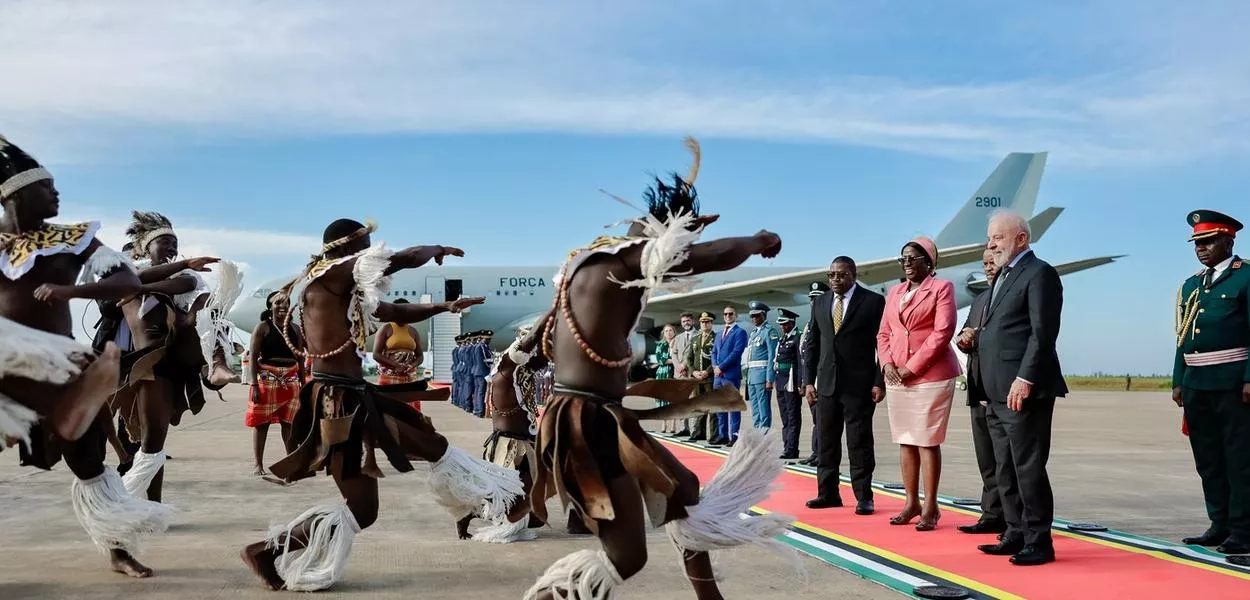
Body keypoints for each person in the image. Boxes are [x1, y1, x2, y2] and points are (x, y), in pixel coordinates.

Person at [526, 138, 796, 600]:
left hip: (594, 413)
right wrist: (757, 240)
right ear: (670, 232)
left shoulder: (584, 263)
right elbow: (709, 256)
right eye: (683, 237)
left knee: (684, 492)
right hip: (585, 422)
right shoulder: (629, 259)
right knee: (628, 557)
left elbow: (549, 332)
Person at [240, 219, 521, 592]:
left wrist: (447, 305)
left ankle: (494, 502)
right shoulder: (328, 277)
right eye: (363, 247)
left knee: (429, 442)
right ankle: (266, 550)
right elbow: (399, 259)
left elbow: (396, 312)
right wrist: (435, 249)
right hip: (337, 403)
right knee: (363, 510)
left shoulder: (344, 292)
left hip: (355, 394)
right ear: (343, 249)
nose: (369, 254)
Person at [0, 133, 174, 579]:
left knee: (90, 464)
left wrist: (73, 289)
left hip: (58, 366)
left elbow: (128, 284)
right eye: (47, 187)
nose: (57, 193)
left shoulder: (74, 239)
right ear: (16, 193)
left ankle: (118, 550)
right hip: (5, 363)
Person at [108, 211, 244, 505]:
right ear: (146, 248)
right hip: (147, 365)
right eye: (165, 243)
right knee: (151, 443)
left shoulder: (182, 278)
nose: (172, 248)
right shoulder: (131, 270)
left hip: (176, 362)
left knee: (209, 305)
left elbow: (186, 285)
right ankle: (130, 503)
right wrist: (148, 285)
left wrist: (158, 287)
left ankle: (216, 363)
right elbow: (137, 280)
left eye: (175, 243)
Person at [974, 209, 1067, 567]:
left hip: (1023, 387)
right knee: (1005, 467)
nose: (990, 244)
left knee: (1027, 466)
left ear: (1021, 239)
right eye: (989, 238)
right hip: (995, 391)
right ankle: (1014, 532)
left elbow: (1042, 334)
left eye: (997, 237)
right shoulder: (1003, 276)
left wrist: (1025, 378)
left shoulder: (1040, 273)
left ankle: (1039, 540)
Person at [1172, 209, 1250, 558]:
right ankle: (1218, 523)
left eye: (1208, 241)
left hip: (1234, 384)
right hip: (1197, 384)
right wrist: (1179, 381)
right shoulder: (1192, 285)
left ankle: (1243, 529)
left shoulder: (1245, 277)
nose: (1201, 248)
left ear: (1229, 240)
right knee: (1208, 459)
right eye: (1197, 243)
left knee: (1239, 459)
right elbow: (1183, 335)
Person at [877, 236, 960, 531]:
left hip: (930, 375)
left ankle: (931, 506)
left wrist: (911, 368)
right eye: (903, 259)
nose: (907, 264)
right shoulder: (895, 291)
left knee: (926, 440)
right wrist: (887, 364)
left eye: (913, 258)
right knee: (905, 440)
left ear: (929, 262)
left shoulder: (942, 288)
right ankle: (910, 502)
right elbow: (884, 333)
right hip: (897, 375)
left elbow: (943, 332)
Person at [803, 257, 885, 515]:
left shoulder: (872, 302)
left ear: (853, 274)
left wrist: (878, 381)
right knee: (826, 443)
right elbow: (812, 345)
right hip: (826, 385)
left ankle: (864, 497)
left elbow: (882, 345)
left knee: (859, 444)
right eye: (831, 275)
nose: (835, 280)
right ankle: (827, 494)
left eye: (841, 275)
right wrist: (807, 382)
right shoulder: (820, 302)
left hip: (859, 387)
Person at [955, 248, 1007, 535]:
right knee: (986, 458)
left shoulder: (1010, 297)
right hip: (978, 387)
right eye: (985, 264)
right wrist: (965, 338)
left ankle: (1012, 519)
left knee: (1005, 460)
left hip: (1000, 387)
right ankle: (991, 514)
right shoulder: (980, 300)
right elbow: (966, 332)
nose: (988, 268)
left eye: (993, 262)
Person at [247, 291, 305, 479]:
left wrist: (304, 383)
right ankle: (258, 464)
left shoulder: (295, 329)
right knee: (261, 424)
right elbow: (253, 358)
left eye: (286, 303)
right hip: (267, 381)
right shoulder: (262, 328)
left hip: (291, 381)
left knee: (289, 425)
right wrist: (254, 385)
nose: (282, 306)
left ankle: (291, 463)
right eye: (277, 303)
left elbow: (301, 359)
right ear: (270, 306)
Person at [373, 297, 425, 409]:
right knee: (390, 409)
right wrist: (396, 365)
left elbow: (420, 356)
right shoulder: (386, 328)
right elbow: (376, 354)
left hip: (409, 377)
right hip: (389, 376)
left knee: (411, 410)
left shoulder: (413, 331)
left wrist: (412, 365)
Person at [798, 281, 828, 466]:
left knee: (823, 420)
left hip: (823, 378)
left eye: (817, 298)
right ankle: (816, 452)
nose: (813, 301)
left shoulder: (827, 324)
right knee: (817, 420)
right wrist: (806, 381)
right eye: (811, 298)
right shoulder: (810, 325)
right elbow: (805, 354)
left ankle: (822, 454)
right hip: (812, 380)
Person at [710, 304, 748, 445]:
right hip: (718, 376)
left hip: (730, 375)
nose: (727, 316)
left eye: (731, 314)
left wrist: (722, 367)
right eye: (725, 314)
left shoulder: (740, 332)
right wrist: (715, 366)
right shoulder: (719, 333)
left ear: (736, 315)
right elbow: (713, 352)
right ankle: (723, 435)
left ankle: (735, 436)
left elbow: (736, 352)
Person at [744, 300, 780, 430]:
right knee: (755, 408)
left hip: (762, 374)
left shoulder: (769, 331)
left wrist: (770, 379)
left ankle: (764, 435)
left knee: (763, 408)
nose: (754, 318)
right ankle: (757, 432)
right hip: (752, 376)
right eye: (752, 316)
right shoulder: (754, 333)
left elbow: (772, 356)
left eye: (757, 315)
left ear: (764, 315)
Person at [773, 308, 803, 460]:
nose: (783, 327)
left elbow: (800, 362)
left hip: (791, 382)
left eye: (785, 324)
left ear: (792, 323)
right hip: (781, 381)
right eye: (781, 324)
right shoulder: (783, 338)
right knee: (785, 417)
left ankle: (792, 449)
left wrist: (800, 383)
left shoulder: (797, 338)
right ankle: (787, 446)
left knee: (792, 416)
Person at [684, 311, 718, 442]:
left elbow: (717, 358)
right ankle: (698, 433)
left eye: (707, 322)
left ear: (711, 323)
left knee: (712, 407)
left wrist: (707, 372)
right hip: (697, 378)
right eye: (703, 322)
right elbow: (689, 358)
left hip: (710, 378)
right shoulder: (695, 339)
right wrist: (693, 372)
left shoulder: (716, 338)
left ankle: (714, 435)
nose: (705, 324)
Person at [669, 312, 696, 437]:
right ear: (681, 323)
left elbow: (691, 354)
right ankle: (683, 428)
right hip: (679, 375)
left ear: (693, 321)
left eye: (688, 321)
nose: (686, 323)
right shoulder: (678, 338)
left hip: (692, 374)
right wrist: (678, 367)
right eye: (684, 321)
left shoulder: (699, 334)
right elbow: (673, 353)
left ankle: (694, 429)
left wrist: (684, 365)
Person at [653, 323, 678, 433]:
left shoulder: (677, 343)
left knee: (672, 399)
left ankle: (673, 424)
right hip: (662, 374)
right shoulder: (661, 345)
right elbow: (660, 360)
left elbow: (681, 356)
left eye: (671, 330)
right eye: (666, 331)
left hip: (674, 373)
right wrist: (674, 361)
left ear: (674, 332)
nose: (669, 333)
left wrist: (672, 360)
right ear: (664, 333)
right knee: (662, 398)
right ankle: (664, 423)